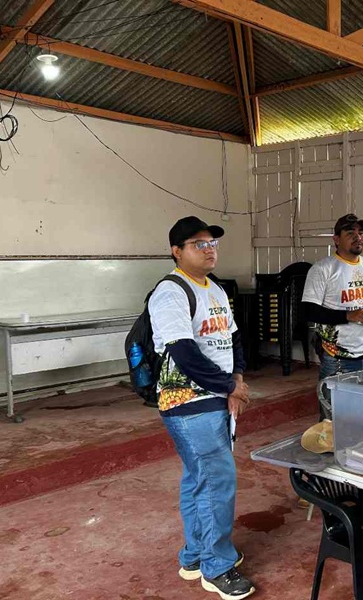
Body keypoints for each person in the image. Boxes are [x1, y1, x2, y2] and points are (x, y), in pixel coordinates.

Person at [149, 216, 255, 600]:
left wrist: (236, 380)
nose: (209, 249)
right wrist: (229, 386)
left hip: (217, 396)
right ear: (177, 251)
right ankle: (217, 567)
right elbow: (184, 354)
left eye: (212, 243)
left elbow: (234, 339)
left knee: (200, 478)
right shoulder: (171, 292)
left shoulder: (215, 289)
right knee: (216, 481)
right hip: (189, 402)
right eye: (199, 244)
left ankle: (195, 556)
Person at [301, 213, 363, 419]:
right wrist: (349, 315)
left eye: (361, 233)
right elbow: (309, 311)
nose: (358, 237)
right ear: (336, 239)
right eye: (350, 233)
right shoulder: (323, 269)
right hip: (338, 359)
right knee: (334, 420)